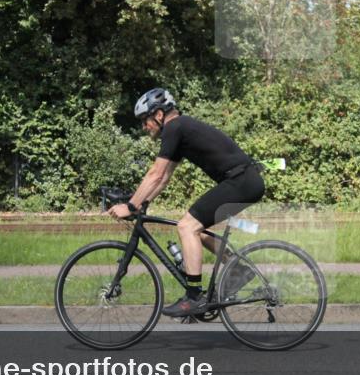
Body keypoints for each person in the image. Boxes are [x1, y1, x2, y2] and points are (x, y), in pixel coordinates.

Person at [107, 88, 265, 317]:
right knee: (197, 231)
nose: (144, 127)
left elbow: (155, 174)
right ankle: (238, 270)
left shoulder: (174, 128)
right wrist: (143, 202)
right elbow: (164, 179)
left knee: (186, 226)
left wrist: (131, 206)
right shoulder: (180, 130)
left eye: (145, 120)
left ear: (159, 115)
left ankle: (193, 297)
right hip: (244, 181)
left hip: (240, 181)